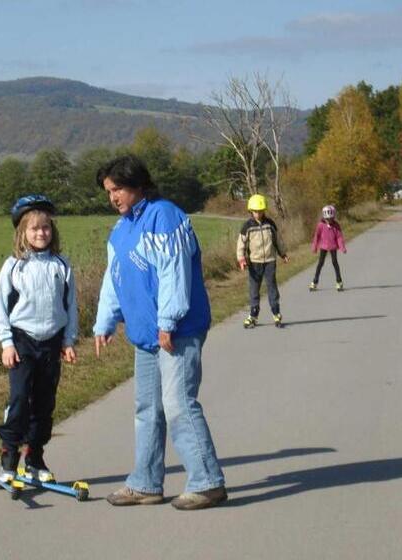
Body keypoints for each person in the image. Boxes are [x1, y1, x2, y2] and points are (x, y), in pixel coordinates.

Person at [93, 155, 227, 511]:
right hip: (145, 334)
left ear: (138, 185)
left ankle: (207, 481)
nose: (113, 197)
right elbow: (114, 277)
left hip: (177, 331)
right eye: (108, 191)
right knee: (147, 408)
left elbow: (174, 271)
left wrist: (168, 321)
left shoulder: (164, 215)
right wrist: (104, 321)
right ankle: (146, 483)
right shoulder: (121, 229)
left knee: (178, 403)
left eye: (118, 189)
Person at [0, 195, 78, 485]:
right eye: (34, 229)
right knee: (19, 399)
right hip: (21, 342)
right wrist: (6, 342)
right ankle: (9, 456)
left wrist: (68, 341)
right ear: (22, 233)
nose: (41, 233)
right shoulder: (14, 266)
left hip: (51, 342)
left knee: (45, 403)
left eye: (46, 228)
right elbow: (1, 309)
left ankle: (34, 456)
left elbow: (71, 307)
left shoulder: (61, 265)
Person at [236, 194, 289, 329]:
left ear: (264, 210)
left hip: (270, 261)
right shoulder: (247, 226)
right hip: (254, 262)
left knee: (272, 287)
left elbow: (277, 240)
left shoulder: (270, 224)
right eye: (255, 211)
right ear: (251, 211)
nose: (258, 214)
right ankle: (253, 315)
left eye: (260, 211)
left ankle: (276, 313)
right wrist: (241, 259)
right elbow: (241, 244)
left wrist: (283, 254)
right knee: (254, 289)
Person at [309, 204, 347, 292]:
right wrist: (314, 247)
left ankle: (339, 282)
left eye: (330, 219)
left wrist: (342, 247)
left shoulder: (336, 225)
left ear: (333, 217)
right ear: (324, 217)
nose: (329, 221)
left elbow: (339, 237)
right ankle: (314, 282)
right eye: (327, 219)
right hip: (323, 246)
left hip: (333, 246)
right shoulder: (320, 225)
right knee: (320, 264)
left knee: (335, 263)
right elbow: (316, 236)